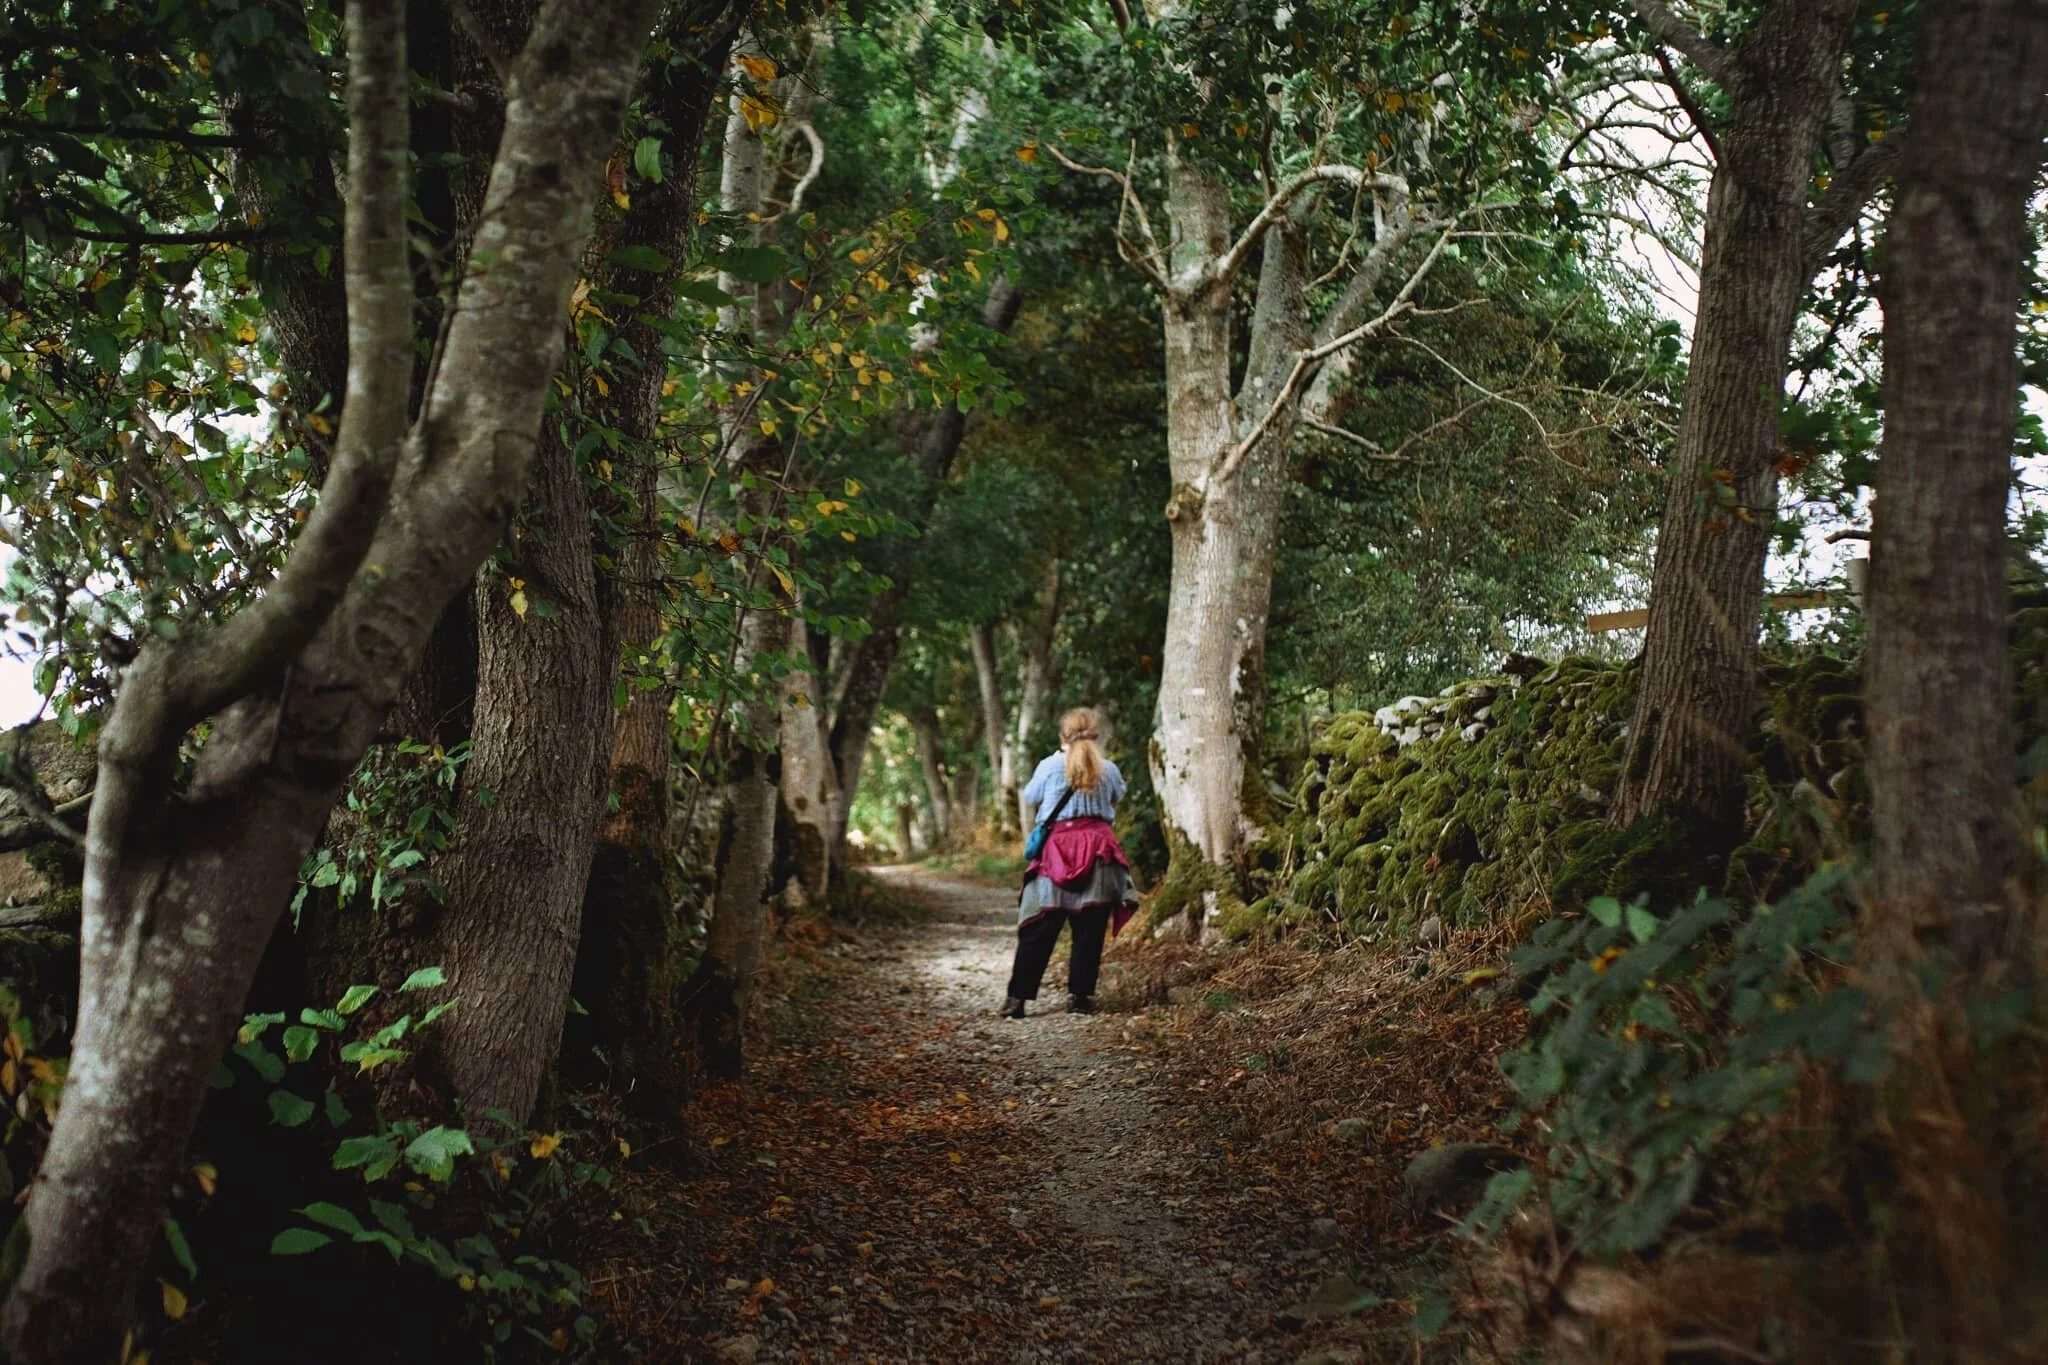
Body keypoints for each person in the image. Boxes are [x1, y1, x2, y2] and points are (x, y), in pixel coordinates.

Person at [1001, 707, 1140, 1018]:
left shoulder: (1049, 766)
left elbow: (1031, 795)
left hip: (1057, 850)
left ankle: (1016, 1000)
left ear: (1063, 737)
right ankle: (1079, 998)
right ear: (1096, 735)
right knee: (1089, 927)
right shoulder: (1109, 769)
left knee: (1039, 925)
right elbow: (1117, 795)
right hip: (1098, 849)